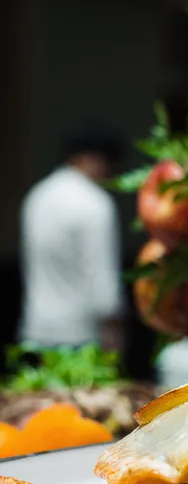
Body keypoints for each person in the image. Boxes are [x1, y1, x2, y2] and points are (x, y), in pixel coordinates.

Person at [19, 130, 125, 352]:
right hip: (81, 336)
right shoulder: (94, 202)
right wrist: (114, 332)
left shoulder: (38, 196)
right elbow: (102, 279)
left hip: (36, 329)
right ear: (92, 159)